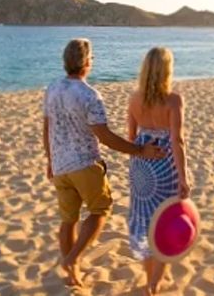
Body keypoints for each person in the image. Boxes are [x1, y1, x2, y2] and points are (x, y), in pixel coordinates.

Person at [42, 38, 165, 288]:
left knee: (69, 220)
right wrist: (140, 150)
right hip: (85, 164)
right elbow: (105, 136)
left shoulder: (52, 88)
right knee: (100, 211)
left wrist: (50, 160)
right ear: (86, 62)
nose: (92, 61)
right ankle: (72, 258)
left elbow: (47, 127)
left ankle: (72, 273)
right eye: (92, 58)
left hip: (60, 166)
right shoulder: (90, 96)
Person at [127, 47, 191, 295]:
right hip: (165, 166)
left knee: (143, 220)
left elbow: (131, 139)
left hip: (141, 166)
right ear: (167, 70)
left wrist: (140, 153)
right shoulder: (173, 100)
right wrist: (183, 177)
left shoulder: (134, 98)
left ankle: (148, 276)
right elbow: (178, 141)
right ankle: (155, 281)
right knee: (166, 221)